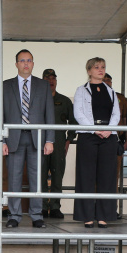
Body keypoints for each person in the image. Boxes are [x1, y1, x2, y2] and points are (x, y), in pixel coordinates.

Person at [1, 50, 54, 228]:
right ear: (16, 64)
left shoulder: (43, 85)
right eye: (22, 60)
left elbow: (49, 113)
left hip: (37, 138)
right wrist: (1, 141)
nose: (25, 63)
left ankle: (37, 215)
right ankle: (14, 215)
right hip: (13, 137)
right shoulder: (5, 85)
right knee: (14, 179)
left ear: (33, 64)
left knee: (37, 179)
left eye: (29, 60)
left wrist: (50, 140)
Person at [73, 57, 119, 228]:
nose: (100, 70)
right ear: (89, 70)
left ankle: (103, 215)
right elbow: (78, 113)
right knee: (86, 176)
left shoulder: (111, 91)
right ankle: (87, 216)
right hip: (88, 135)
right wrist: (94, 129)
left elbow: (116, 114)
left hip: (108, 136)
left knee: (107, 176)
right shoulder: (81, 90)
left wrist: (109, 129)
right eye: (97, 67)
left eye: (103, 67)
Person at [41, 68, 76, 218]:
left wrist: (68, 141)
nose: (51, 81)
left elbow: (73, 122)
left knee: (57, 175)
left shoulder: (65, 101)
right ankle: (42, 206)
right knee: (41, 175)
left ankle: (55, 206)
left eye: (53, 78)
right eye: (47, 78)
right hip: (41, 142)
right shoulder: (38, 100)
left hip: (59, 142)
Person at [104, 72, 127, 218]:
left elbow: (125, 119)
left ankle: (111, 209)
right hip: (98, 140)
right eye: (104, 80)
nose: (107, 82)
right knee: (97, 176)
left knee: (113, 177)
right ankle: (96, 208)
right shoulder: (92, 95)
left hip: (116, 141)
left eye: (109, 80)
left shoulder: (119, 98)